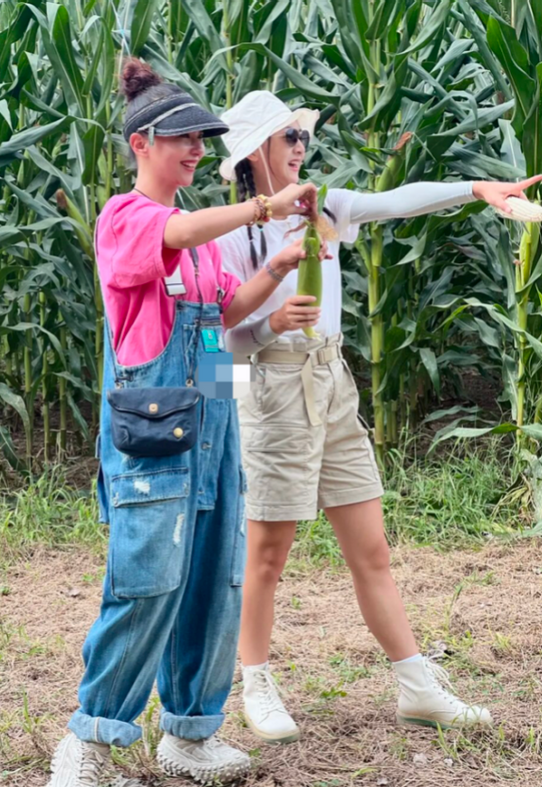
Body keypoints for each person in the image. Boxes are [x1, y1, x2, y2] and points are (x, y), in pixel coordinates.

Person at [216, 89, 542, 744]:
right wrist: (270, 324)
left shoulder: (327, 207)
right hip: (273, 387)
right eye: (288, 138)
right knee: (267, 552)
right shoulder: (230, 233)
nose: (301, 147)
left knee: (373, 547)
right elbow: (217, 338)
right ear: (255, 152)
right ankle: (255, 680)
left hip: (332, 382)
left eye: (302, 137)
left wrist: (478, 187)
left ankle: (417, 686)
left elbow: (398, 200)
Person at [46, 60, 322, 787]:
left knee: (212, 579)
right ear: (141, 143)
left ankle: (191, 733)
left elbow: (226, 319)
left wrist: (282, 263)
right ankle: (90, 740)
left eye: (203, 139)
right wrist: (264, 209)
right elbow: (176, 229)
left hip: (211, 416)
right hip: (152, 431)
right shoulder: (127, 219)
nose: (197, 151)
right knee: (147, 579)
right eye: (182, 139)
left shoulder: (199, 243)